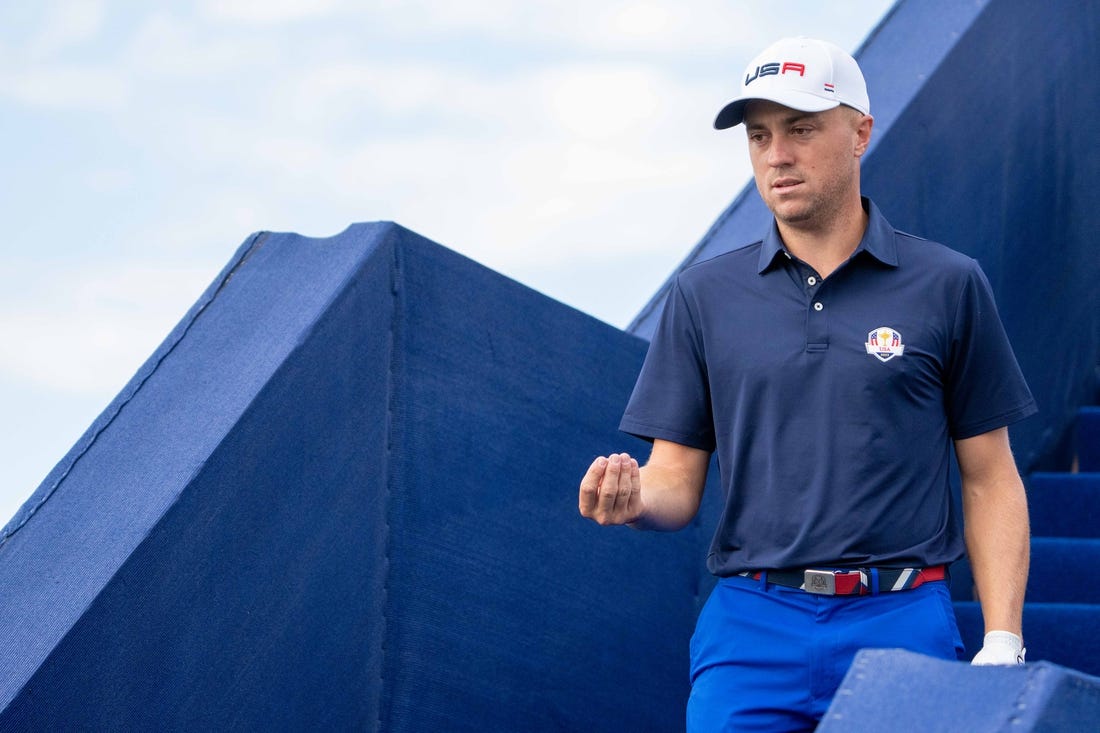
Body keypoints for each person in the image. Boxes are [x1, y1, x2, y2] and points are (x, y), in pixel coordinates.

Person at [578, 37, 1036, 731]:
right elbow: (675, 480)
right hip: (751, 625)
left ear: (860, 133)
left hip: (902, 617)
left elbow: (989, 475)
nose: (776, 155)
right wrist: (635, 495)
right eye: (759, 136)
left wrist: (1003, 639)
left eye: (799, 129)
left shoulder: (948, 284)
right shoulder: (704, 294)